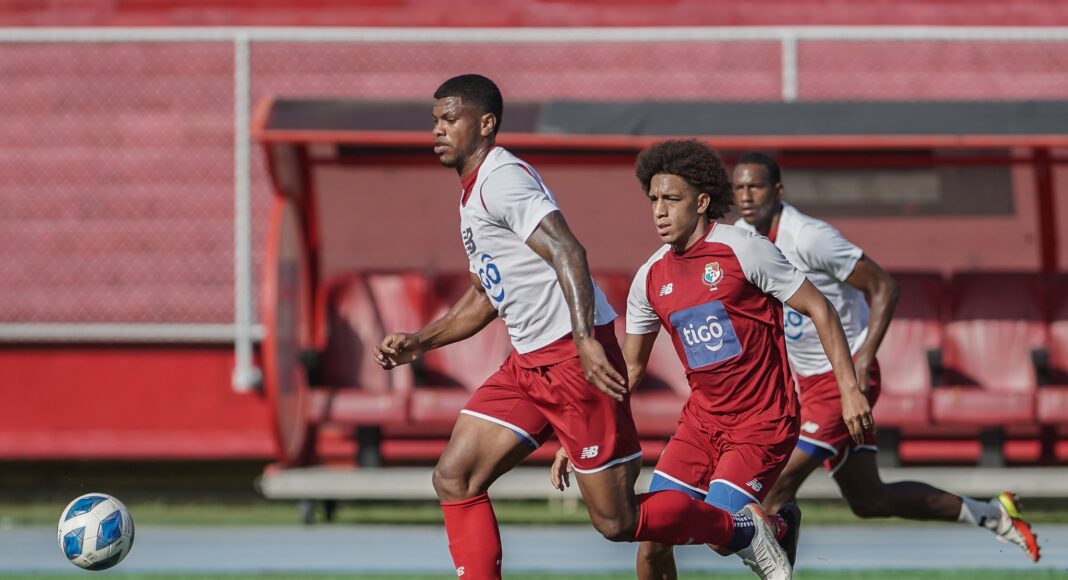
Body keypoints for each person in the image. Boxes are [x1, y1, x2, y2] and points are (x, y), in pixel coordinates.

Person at [373, 75, 792, 580]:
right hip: (528, 364)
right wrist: (420, 341)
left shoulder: (502, 179)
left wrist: (585, 340)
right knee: (455, 477)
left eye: (450, 118)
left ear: (485, 124)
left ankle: (745, 531)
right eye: (435, 120)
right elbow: (486, 295)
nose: (438, 129)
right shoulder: (472, 195)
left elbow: (568, 250)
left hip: (571, 359)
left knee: (618, 522)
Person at [551, 139, 874, 580]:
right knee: (653, 542)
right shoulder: (650, 277)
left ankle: (778, 527)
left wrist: (850, 390)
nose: (659, 211)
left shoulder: (744, 249)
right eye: (654, 200)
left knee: (720, 536)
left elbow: (820, 308)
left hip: (762, 423)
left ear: (702, 202)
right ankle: (761, 529)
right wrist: (582, 433)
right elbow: (630, 368)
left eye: (672, 199)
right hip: (700, 426)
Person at [731, 151, 1041, 563]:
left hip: (843, 380)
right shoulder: (741, 238)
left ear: (778, 190)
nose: (746, 195)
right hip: (805, 382)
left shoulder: (808, 237)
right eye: (739, 187)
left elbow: (884, 288)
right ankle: (993, 514)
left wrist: (861, 364)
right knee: (869, 499)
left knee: (776, 482)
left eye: (756, 186)